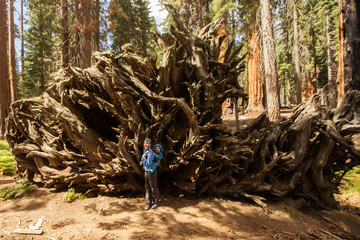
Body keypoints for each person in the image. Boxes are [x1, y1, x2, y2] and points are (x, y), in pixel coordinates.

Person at [139, 138, 162, 210]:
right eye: (146, 143)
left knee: (153, 187)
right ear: (144, 143)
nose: (147, 145)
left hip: (151, 172)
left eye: (149, 143)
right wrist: (141, 161)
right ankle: (148, 203)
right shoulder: (145, 151)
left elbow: (148, 165)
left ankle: (156, 202)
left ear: (150, 144)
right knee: (147, 187)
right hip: (146, 172)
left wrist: (143, 158)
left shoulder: (150, 153)